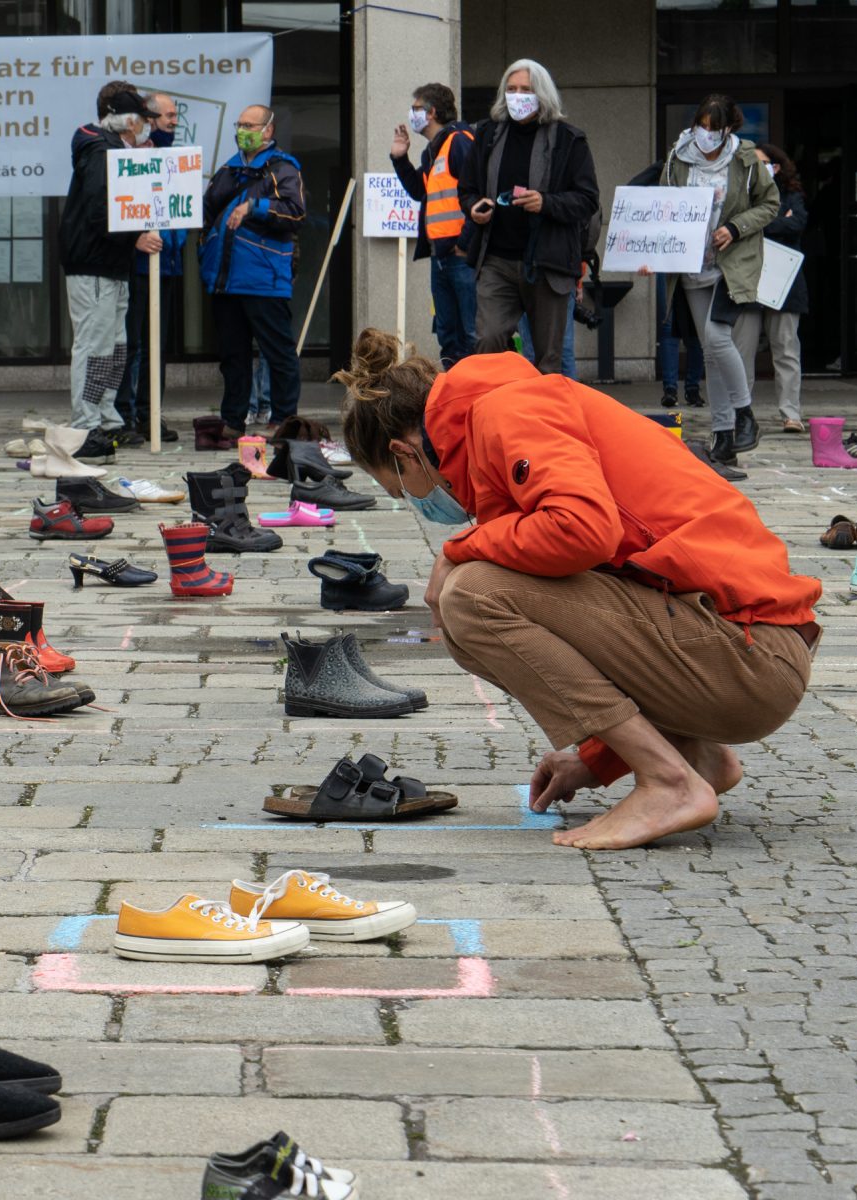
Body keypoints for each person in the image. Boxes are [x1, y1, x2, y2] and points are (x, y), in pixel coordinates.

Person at [335, 328, 820, 850]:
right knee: (477, 599)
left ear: (404, 453)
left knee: (472, 596)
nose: (422, 503)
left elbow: (583, 528)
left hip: (751, 656)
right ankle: (694, 756)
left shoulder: (506, 411)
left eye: (403, 489)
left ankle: (669, 783)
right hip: (740, 654)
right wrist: (598, 758)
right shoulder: (494, 421)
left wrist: (458, 551)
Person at [659, 94, 778, 471]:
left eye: (714, 128)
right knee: (710, 353)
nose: (706, 135)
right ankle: (724, 437)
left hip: (732, 264)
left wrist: (734, 227)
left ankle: (746, 416)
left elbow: (769, 204)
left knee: (715, 336)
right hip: (692, 265)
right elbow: (663, 208)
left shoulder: (745, 160)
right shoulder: (678, 158)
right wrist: (649, 252)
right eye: (701, 126)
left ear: (729, 129)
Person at [460, 59, 598, 373]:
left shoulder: (568, 140)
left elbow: (587, 199)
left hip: (547, 263)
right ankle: (492, 415)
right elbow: (467, 188)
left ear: (542, 95)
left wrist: (545, 203)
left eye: (525, 89)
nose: (517, 96)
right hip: (495, 259)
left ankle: (547, 420)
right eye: (511, 89)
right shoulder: (487, 134)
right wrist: (474, 209)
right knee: (487, 343)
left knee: (549, 359)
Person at [200, 103, 307, 438]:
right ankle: (233, 421)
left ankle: (284, 420)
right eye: (240, 124)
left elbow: (296, 211)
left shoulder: (283, 169)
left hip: (264, 278)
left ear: (268, 130)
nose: (243, 130)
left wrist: (255, 207)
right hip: (225, 281)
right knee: (232, 356)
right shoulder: (227, 171)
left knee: (279, 353)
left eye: (250, 124)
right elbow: (204, 212)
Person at [61, 90, 159, 440]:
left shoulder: (111, 150)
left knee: (115, 345)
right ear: (128, 121)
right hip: (94, 262)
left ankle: (105, 415)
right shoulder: (101, 152)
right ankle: (85, 424)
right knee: (95, 344)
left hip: (110, 262)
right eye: (144, 120)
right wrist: (134, 237)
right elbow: (99, 208)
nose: (147, 127)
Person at [113, 91, 188, 444]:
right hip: (139, 266)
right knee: (133, 345)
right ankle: (125, 417)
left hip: (168, 263)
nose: (174, 121)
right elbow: (117, 209)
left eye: (175, 116)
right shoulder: (134, 158)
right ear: (151, 118)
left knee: (156, 347)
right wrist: (134, 240)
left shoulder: (175, 157)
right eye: (169, 115)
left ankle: (149, 415)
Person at [391, 82, 478, 367]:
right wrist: (400, 158)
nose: (411, 114)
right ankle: (454, 397)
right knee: (448, 335)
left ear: (432, 112)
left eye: (416, 108)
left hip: (461, 255)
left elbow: (479, 193)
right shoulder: (433, 150)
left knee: (471, 335)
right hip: (442, 256)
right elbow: (420, 191)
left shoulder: (460, 141)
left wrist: (465, 244)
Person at [733, 144, 808, 433]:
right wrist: (776, 221)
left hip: (784, 284)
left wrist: (753, 224)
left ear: (776, 168)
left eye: (762, 163)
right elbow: (732, 226)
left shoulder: (792, 195)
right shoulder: (739, 196)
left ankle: (791, 414)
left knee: (786, 350)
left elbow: (797, 224)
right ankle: (742, 414)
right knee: (742, 351)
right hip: (748, 282)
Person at [657, 273, 705, 408]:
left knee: (694, 330)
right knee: (669, 327)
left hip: (689, 267)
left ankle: (684, 389)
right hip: (673, 264)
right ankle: (676, 389)